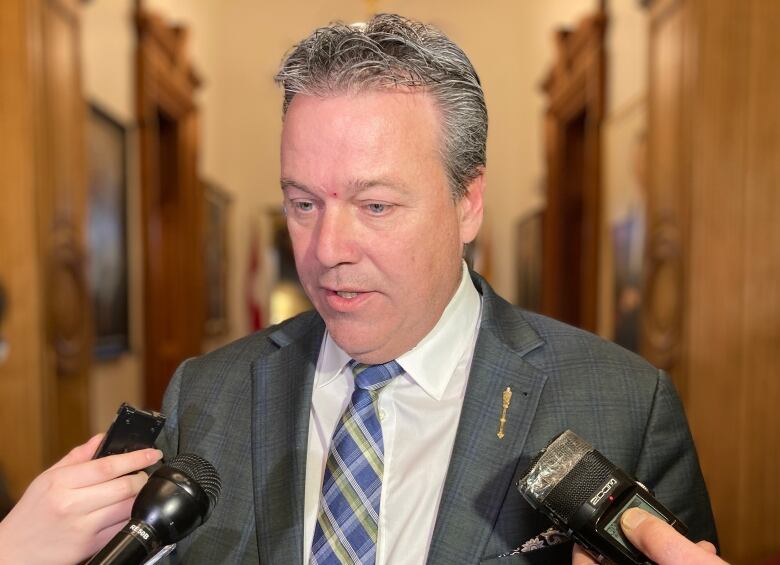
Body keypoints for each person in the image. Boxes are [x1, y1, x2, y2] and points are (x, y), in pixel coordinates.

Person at [0, 13, 718, 565]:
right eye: (303, 203)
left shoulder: (624, 404)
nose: (327, 251)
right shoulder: (208, 393)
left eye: (375, 205)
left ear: (468, 202)